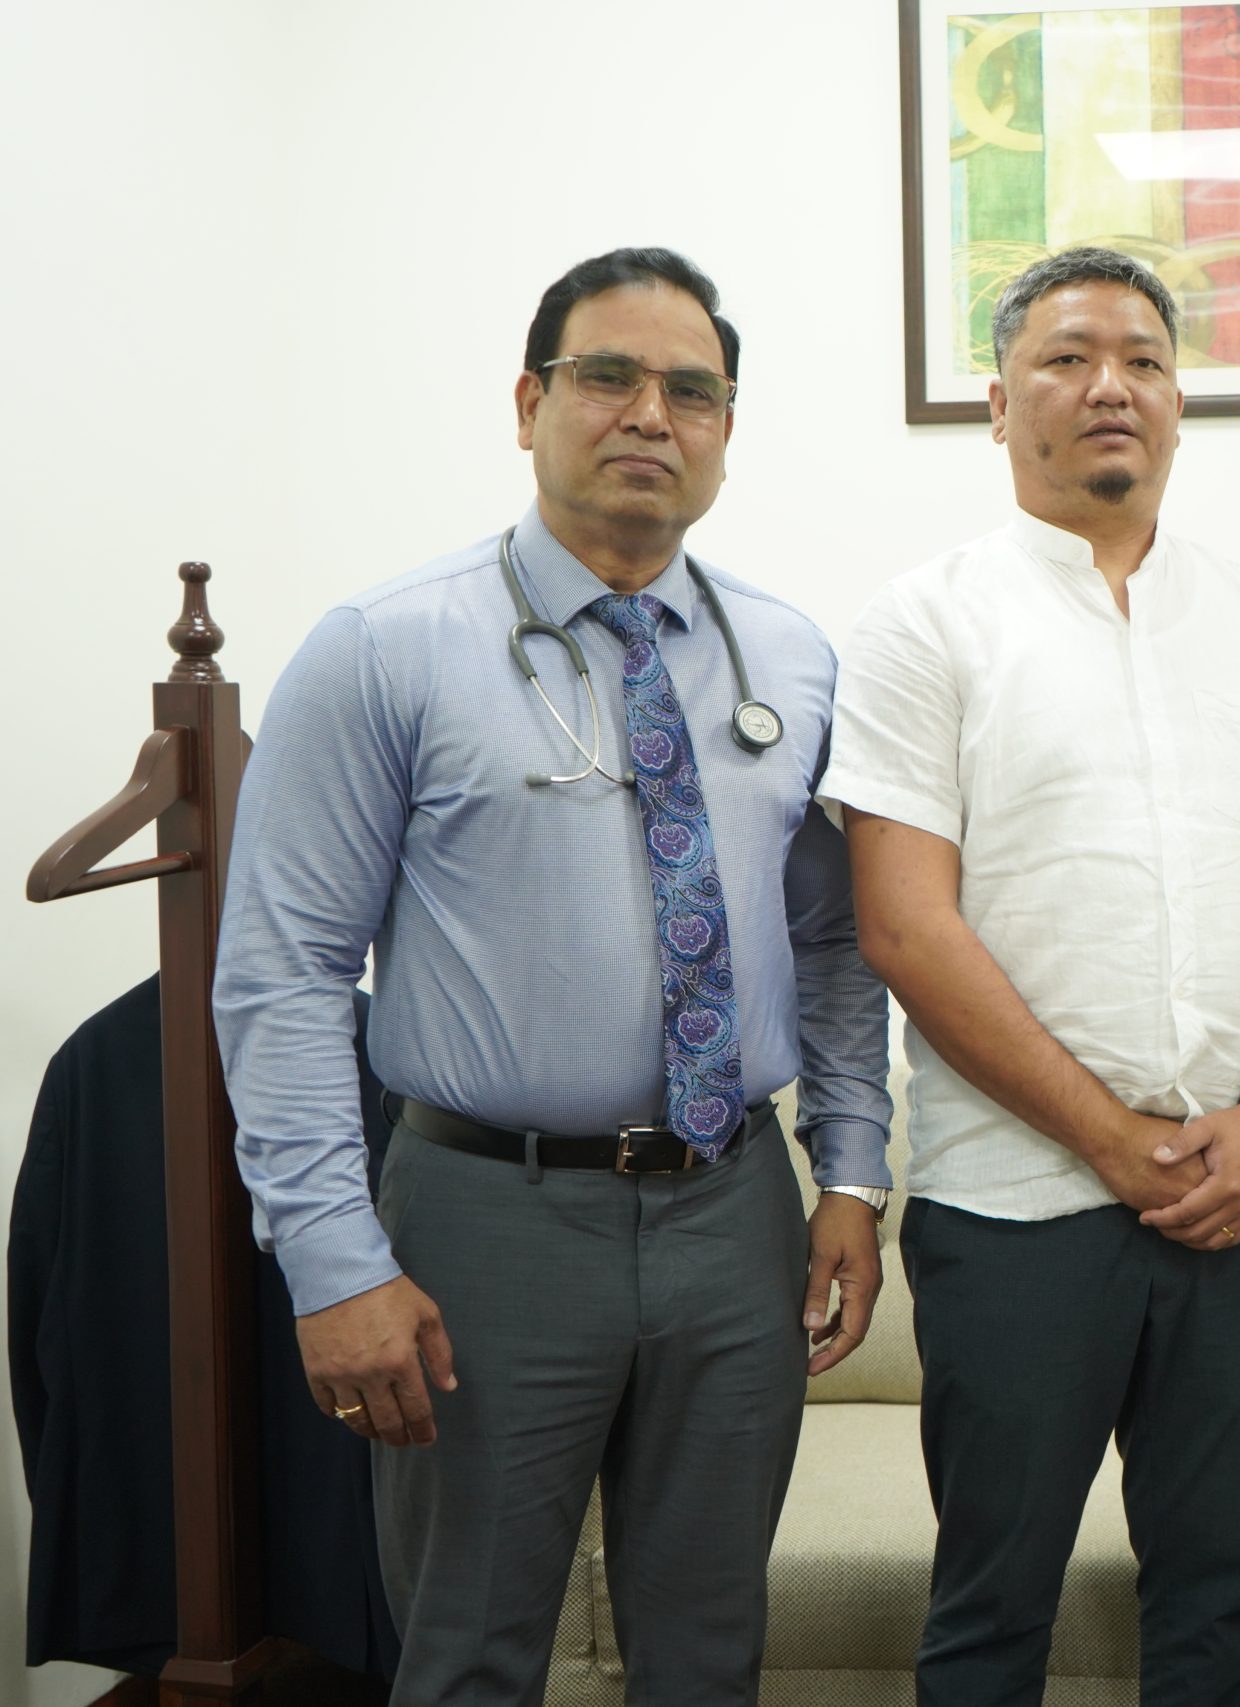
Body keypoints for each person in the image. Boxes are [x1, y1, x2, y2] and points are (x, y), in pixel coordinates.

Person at [212, 246, 893, 1705]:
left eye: (691, 390)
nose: (651, 413)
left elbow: (837, 940)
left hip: (734, 1212)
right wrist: (334, 1261)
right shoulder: (384, 649)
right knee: (468, 1652)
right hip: (485, 1219)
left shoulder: (789, 657)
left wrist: (849, 1170)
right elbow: (282, 974)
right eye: (609, 377)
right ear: (529, 404)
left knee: (708, 1652)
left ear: (726, 429)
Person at [827, 246, 1240, 1706]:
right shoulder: (923, 623)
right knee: (992, 1611)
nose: (1109, 385)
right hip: (1016, 1209)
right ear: (999, 405)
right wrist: (1111, 1137)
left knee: (1216, 1604)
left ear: (1180, 402)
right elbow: (905, 927)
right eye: (1066, 359)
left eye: (1142, 359)